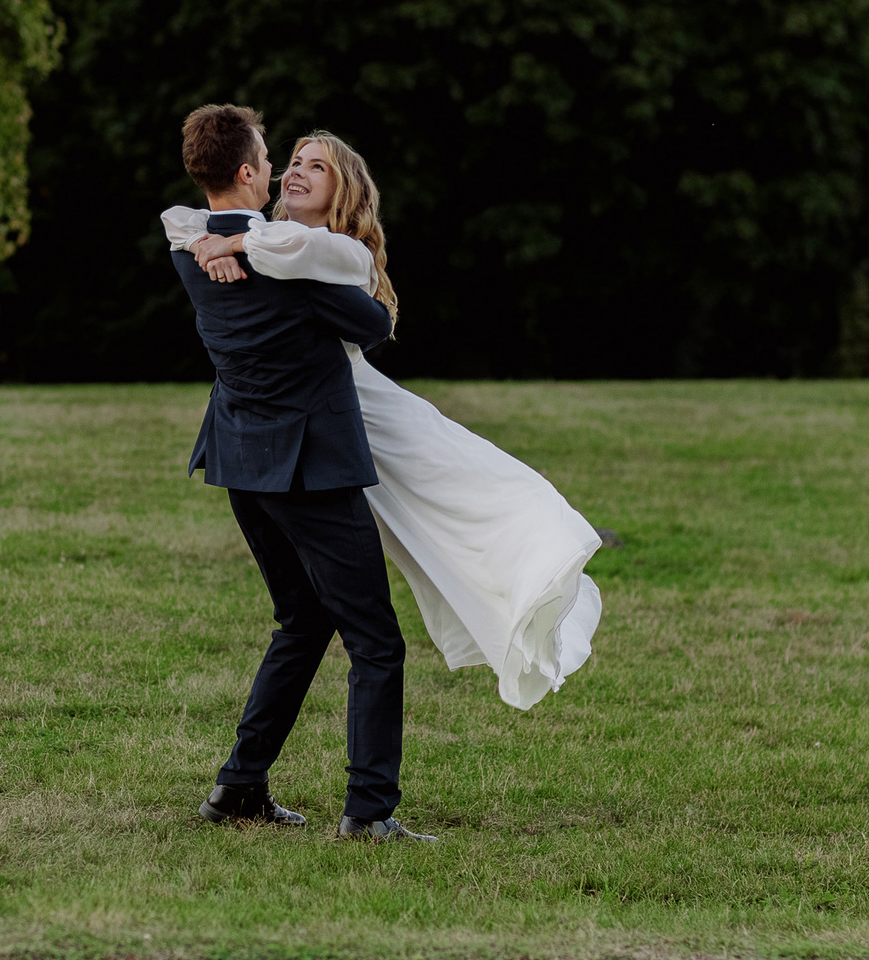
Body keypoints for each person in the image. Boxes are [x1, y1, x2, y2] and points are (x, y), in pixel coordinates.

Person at [170, 129, 604, 714]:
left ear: (342, 192)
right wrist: (220, 241)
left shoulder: (331, 254)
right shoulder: (262, 237)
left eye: (315, 167)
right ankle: (294, 790)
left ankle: (529, 569)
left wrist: (232, 244)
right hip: (319, 431)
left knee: (476, 501)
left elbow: (352, 303)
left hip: (366, 417)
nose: (293, 171)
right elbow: (185, 220)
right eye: (290, 161)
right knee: (333, 618)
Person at [169, 103, 431, 842]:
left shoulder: (195, 245)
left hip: (239, 464)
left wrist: (219, 244)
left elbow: (188, 227)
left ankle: (238, 786)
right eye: (277, 160)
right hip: (308, 469)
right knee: (375, 639)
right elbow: (375, 324)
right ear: (250, 172)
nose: (286, 173)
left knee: (305, 619)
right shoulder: (289, 261)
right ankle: (370, 810)